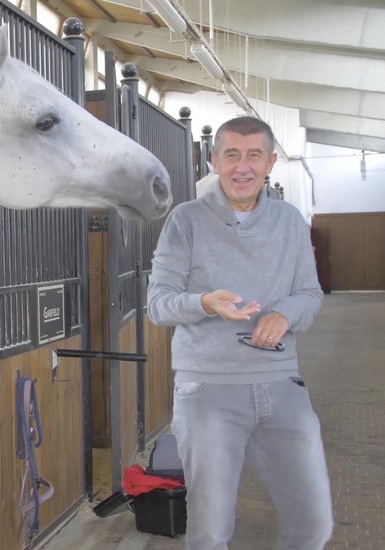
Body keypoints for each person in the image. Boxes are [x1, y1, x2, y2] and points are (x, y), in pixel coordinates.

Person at [146, 116, 332, 549]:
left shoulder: (289, 221)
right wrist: (205, 303)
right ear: (214, 161)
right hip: (208, 389)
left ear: (269, 163)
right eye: (231, 155)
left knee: (313, 524)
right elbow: (158, 304)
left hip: (281, 383)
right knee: (209, 533)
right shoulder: (185, 220)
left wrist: (284, 314)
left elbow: (309, 292)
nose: (242, 167)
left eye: (253, 156)